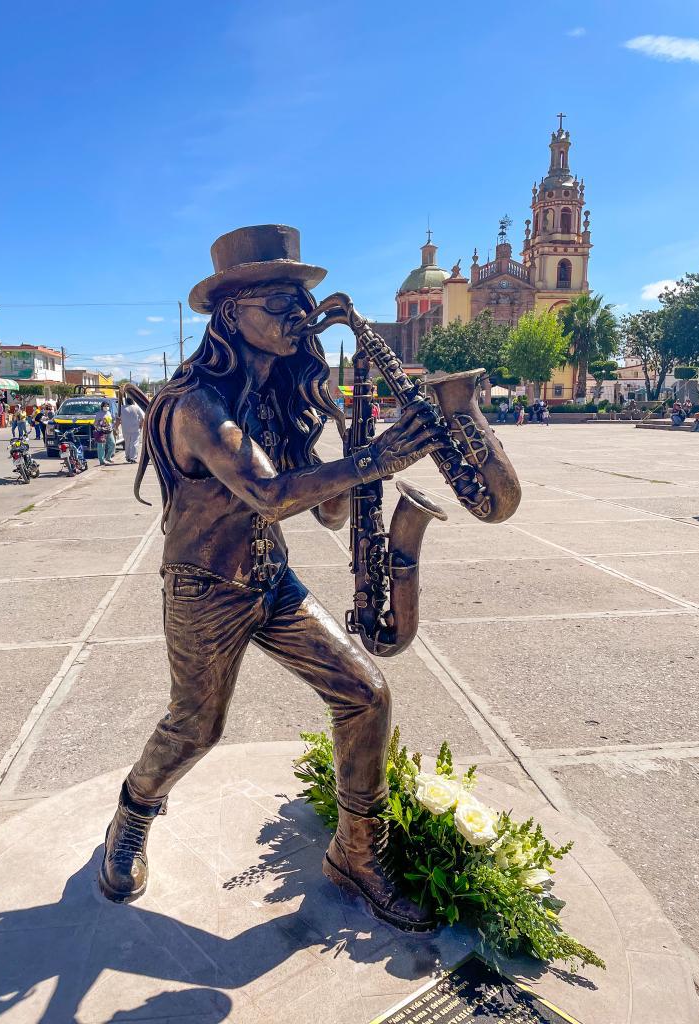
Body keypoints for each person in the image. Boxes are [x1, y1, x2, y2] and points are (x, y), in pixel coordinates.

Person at [97, 225, 445, 931]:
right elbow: (270, 494)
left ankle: (355, 852)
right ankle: (132, 816)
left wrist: (348, 428)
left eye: (301, 300)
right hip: (203, 589)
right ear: (232, 314)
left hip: (270, 580)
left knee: (366, 696)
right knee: (195, 728)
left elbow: (324, 512)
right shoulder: (195, 404)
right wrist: (378, 458)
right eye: (279, 300)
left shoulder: (278, 392)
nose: (299, 314)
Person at [120, 395, 144, 464]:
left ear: (126, 402)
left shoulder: (122, 408)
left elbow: (118, 418)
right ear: (133, 402)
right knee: (134, 443)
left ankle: (127, 456)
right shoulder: (136, 408)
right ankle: (133, 458)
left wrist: (116, 427)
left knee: (127, 443)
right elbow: (142, 418)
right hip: (135, 428)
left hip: (125, 429)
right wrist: (140, 425)